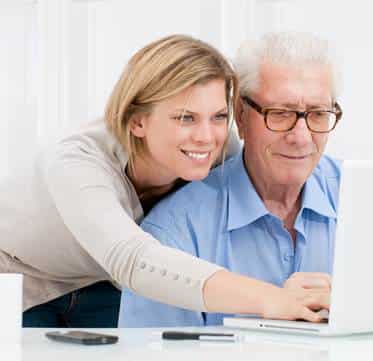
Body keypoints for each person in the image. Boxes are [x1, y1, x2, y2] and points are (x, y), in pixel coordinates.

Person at [0, 34, 329, 328]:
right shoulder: (77, 163)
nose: (206, 137)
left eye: (217, 117)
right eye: (185, 118)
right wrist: (271, 299)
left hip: (105, 285)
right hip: (23, 284)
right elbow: (132, 258)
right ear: (138, 121)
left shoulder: (219, 148)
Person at [118, 32, 343, 327]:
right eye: (279, 113)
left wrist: (360, 304)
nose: (301, 138)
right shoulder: (173, 232)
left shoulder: (367, 198)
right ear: (240, 114)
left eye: (318, 114)